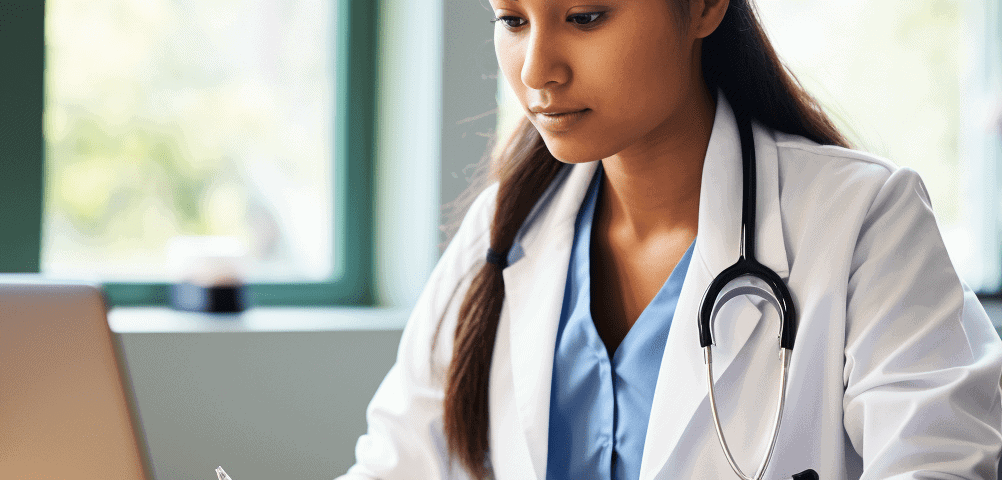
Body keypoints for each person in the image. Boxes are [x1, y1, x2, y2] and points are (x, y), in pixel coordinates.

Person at [338, 0, 1002, 478]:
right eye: (513, 19)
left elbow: (939, 464)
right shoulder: (500, 232)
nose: (538, 70)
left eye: (586, 17)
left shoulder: (863, 220)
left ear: (707, 7)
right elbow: (397, 464)